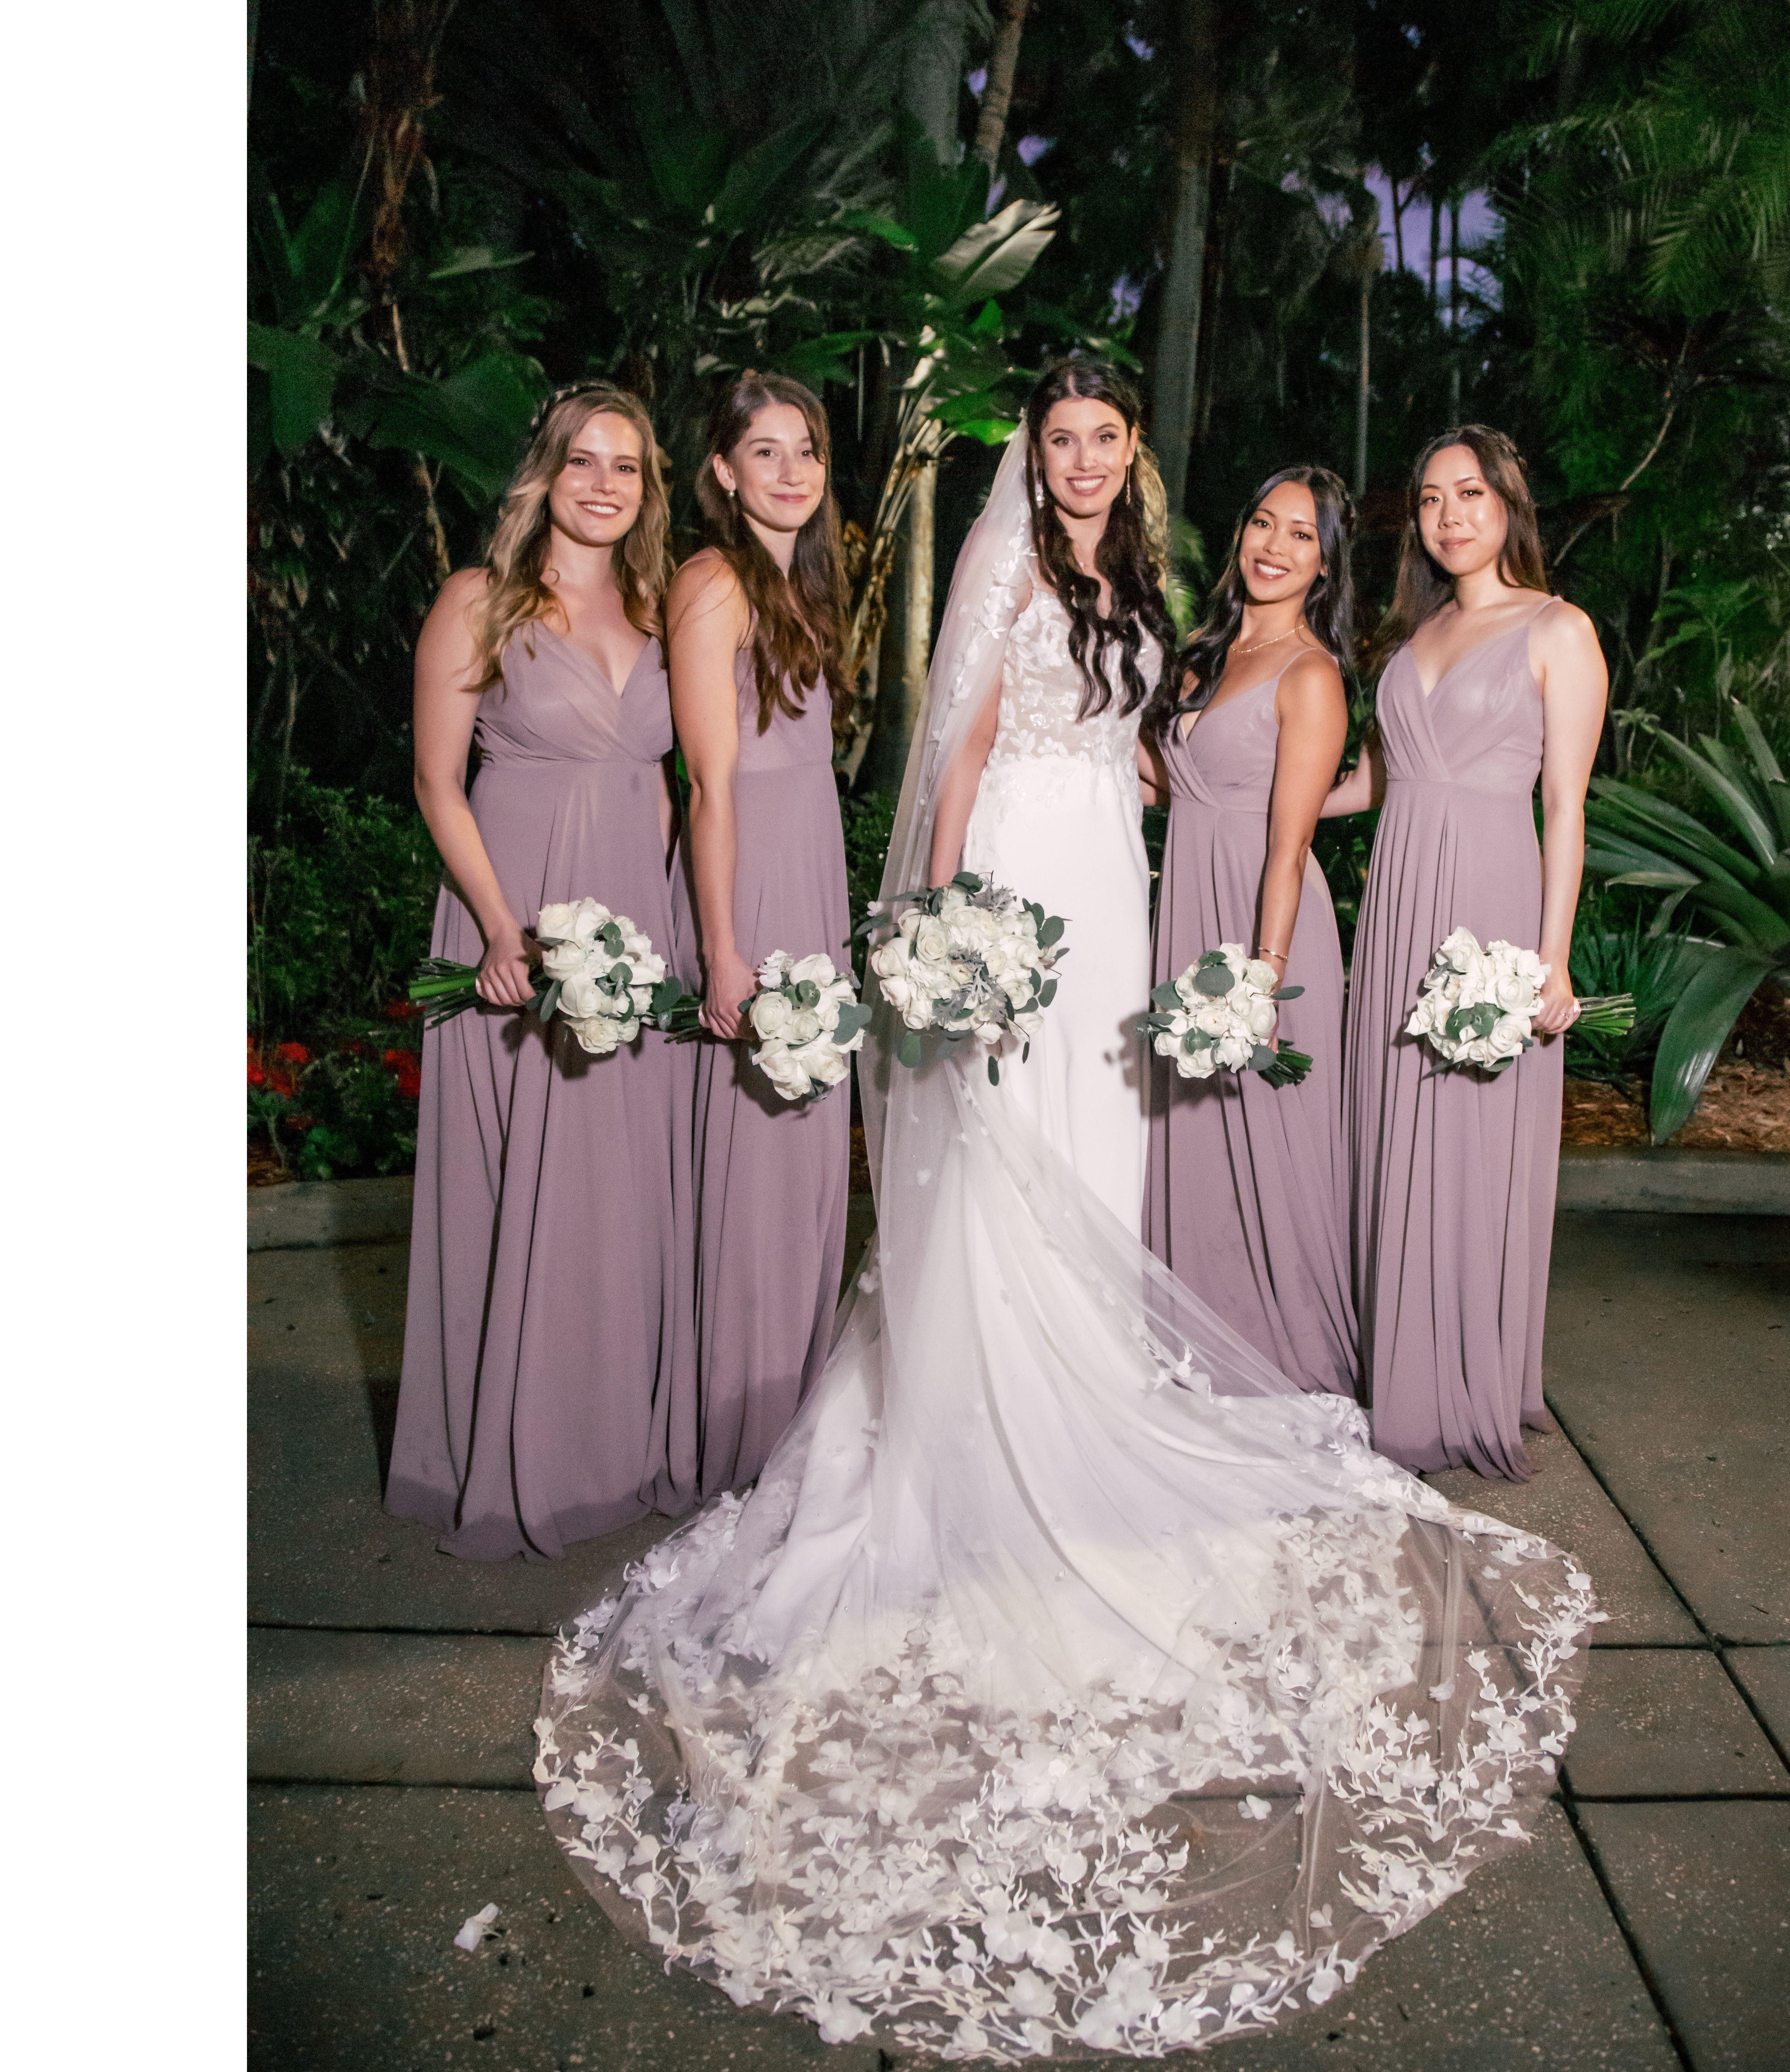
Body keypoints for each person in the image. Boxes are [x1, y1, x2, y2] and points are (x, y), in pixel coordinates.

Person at [535, 363, 1596, 2059]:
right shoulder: (1011, 562)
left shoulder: (1142, 585)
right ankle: (982, 1416)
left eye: (1107, 439)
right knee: (997, 1152)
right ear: (1033, 458)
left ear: (1133, 460)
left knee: (1104, 1151)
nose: (1085, 460)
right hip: (1023, 876)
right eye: (1061, 441)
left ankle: (1093, 1390)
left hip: (1117, 881)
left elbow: (1194, 761)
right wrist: (949, 918)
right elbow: (957, 749)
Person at [388, 384, 687, 1561]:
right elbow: (435, 781)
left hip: (626, 930)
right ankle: (497, 1451)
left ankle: (601, 1445)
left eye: (626, 466)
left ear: (647, 488)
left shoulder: (660, 609)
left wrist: (658, 926)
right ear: (544, 474)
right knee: (509, 1186)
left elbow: (660, 782)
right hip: (509, 914)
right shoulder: (479, 599)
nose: (604, 484)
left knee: (616, 1190)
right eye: (583, 461)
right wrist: (499, 929)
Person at [1323, 425, 1609, 1479]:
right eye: (1432, 498)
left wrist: (1550, 957)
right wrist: (1250, 797)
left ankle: (1464, 1377)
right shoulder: (1415, 634)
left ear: (1507, 503)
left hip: (1489, 905)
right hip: (1397, 909)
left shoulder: (1557, 628)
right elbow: (1375, 782)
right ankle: (1399, 1364)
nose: (1449, 515)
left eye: (1470, 493)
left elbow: (1565, 805)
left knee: (1473, 1141)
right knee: (1390, 1129)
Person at [647, 372, 856, 1505]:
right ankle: (739, 1429)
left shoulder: (800, 585)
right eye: (764, 451)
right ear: (722, 471)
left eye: (806, 449)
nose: (791, 470)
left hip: (807, 868)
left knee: (805, 1154)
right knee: (754, 1155)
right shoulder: (713, 580)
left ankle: (788, 1407)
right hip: (752, 883)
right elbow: (707, 785)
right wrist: (724, 948)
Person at [1139, 466, 1359, 1395]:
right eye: (1264, 523)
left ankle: (1283, 1351)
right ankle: (1192, 1339)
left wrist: (1264, 978)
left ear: (1325, 563)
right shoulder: (1203, 653)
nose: (1275, 546)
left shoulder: (1310, 674)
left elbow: (1290, 842)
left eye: (1301, 535)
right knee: (1190, 1136)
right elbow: (1162, 782)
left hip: (1265, 921)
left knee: (1268, 1141)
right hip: (1189, 904)